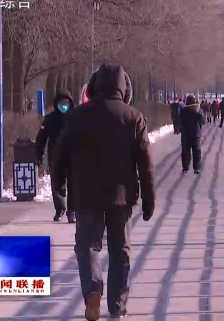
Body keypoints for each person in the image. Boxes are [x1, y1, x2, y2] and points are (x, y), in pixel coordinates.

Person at [52, 64, 155, 320]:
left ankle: (93, 291)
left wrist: (59, 186)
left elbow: (59, 155)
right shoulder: (133, 117)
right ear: (124, 88)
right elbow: (145, 162)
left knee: (87, 247)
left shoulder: (78, 116)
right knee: (120, 250)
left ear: (93, 86)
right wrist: (149, 198)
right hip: (122, 198)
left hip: (86, 195)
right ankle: (118, 306)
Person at [35, 89, 76, 223]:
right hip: (56, 156)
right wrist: (38, 155)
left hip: (73, 156)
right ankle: (60, 208)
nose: (63, 105)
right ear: (56, 104)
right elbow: (41, 138)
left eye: (66, 103)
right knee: (56, 184)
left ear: (70, 103)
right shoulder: (50, 119)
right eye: (61, 103)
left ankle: (72, 211)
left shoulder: (76, 117)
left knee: (74, 184)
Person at [179, 94, 205, 174]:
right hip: (196, 134)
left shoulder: (183, 111)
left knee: (185, 151)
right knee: (196, 151)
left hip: (186, 134)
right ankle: (196, 168)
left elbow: (180, 121)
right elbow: (203, 121)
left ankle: (185, 167)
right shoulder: (199, 110)